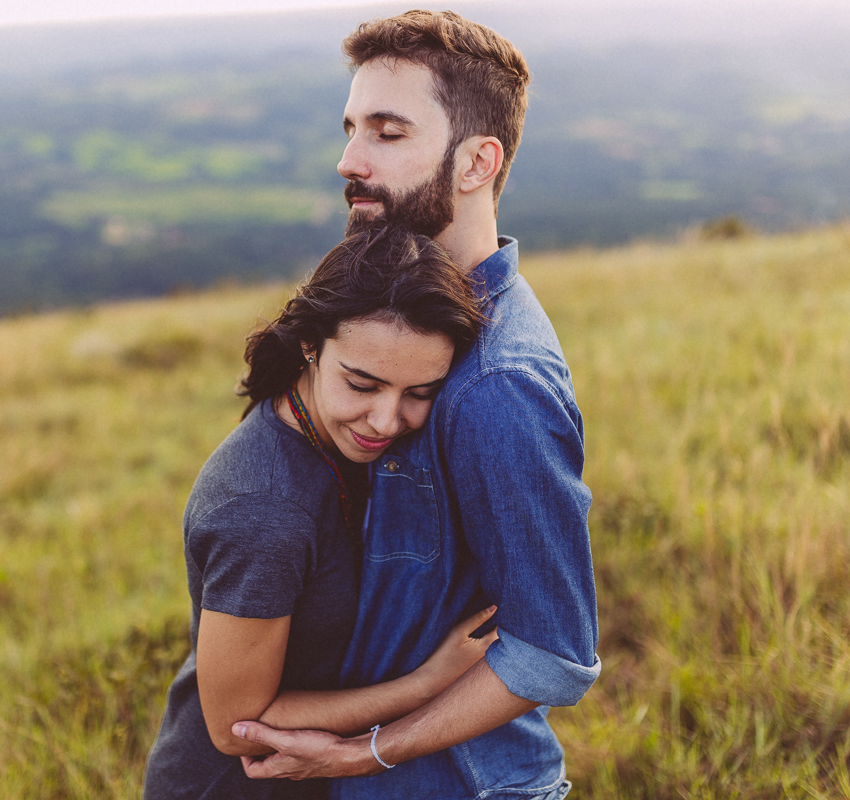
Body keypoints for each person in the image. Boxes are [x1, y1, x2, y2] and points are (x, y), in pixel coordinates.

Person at [231, 10, 601, 799]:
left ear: (477, 162)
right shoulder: (405, 319)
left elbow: (551, 651)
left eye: (388, 133)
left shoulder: (500, 385)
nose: (349, 160)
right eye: (352, 128)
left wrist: (363, 753)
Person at [142, 224, 496, 800]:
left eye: (420, 393)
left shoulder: (330, 431)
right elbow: (235, 728)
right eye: (362, 384)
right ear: (311, 345)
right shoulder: (265, 513)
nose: (386, 420)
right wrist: (428, 683)